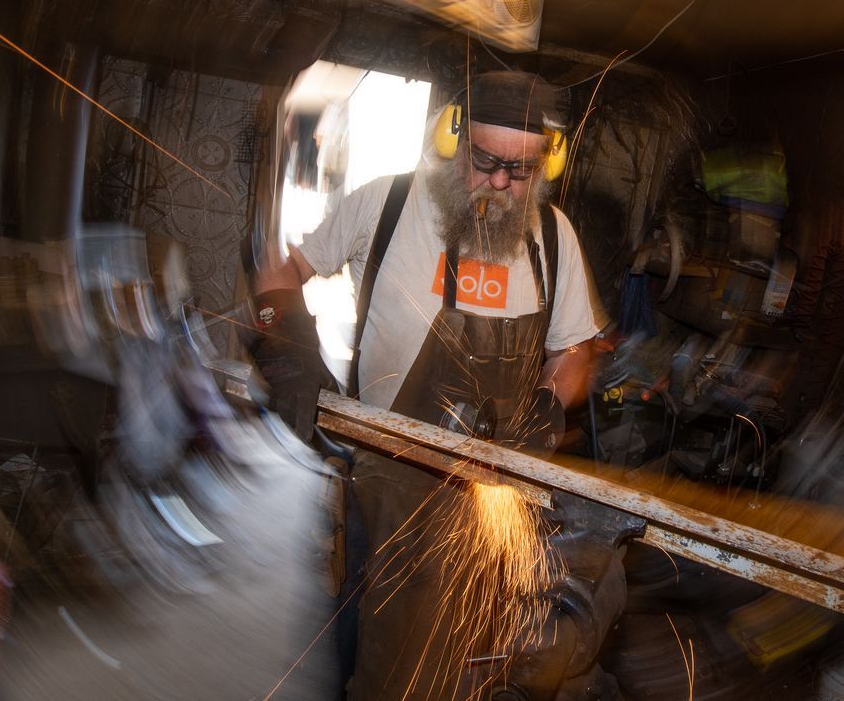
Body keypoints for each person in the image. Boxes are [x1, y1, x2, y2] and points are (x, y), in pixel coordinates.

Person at [250, 70, 602, 699]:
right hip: (386, 479)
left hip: (494, 492)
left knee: (475, 654)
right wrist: (289, 346)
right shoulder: (384, 205)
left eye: (519, 171)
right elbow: (279, 272)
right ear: (453, 139)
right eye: (486, 161)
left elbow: (576, 347)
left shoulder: (554, 238)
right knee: (366, 644)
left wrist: (550, 401)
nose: (499, 182)